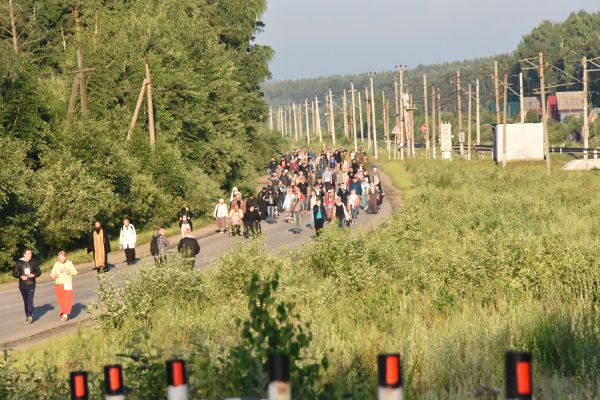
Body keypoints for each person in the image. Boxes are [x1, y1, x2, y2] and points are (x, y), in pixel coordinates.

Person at [12, 249, 41, 324]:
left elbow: (39, 272)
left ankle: (30, 316)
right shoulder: (19, 262)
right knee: (26, 301)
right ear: (24, 254)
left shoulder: (34, 262)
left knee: (29, 300)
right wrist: (20, 276)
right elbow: (14, 273)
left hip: (31, 284)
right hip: (22, 285)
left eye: (31, 253)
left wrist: (34, 275)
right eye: (28, 253)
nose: (30, 255)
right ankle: (28, 316)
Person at [50, 251, 78, 321]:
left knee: (68, 299)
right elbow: (52, 274)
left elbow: (75, 272)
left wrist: (69, 271)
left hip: (67, 283)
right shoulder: (56, 264)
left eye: (63, 257)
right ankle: (64, 313)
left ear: (65, 257)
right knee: (61, 300)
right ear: (58, 258)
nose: (62, 258)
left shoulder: (69, 263)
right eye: (60, 257)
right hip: (59, 284)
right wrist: (54, 275)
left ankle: (65, 314)